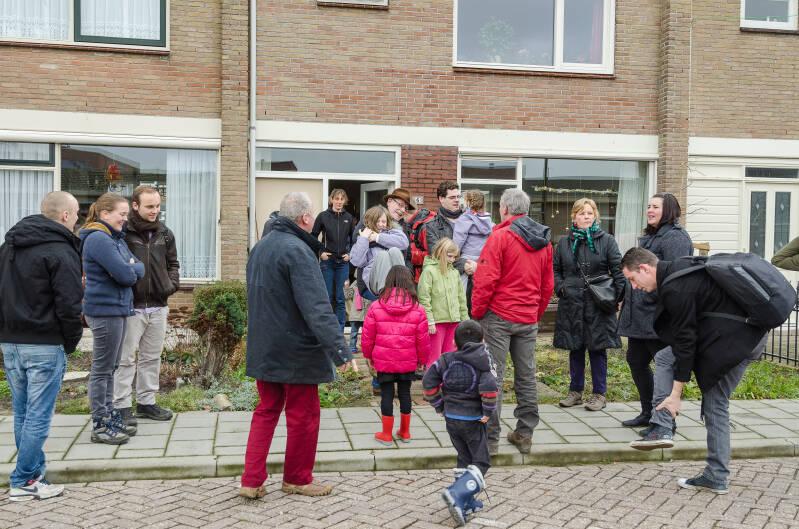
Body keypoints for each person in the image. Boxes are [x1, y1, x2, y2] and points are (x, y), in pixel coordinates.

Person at [621, 248, 768, 494]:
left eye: (632, 279)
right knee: (666, 357)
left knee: (715, 403)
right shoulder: (678, 270)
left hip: (739, 339)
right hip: (741, 333)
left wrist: (676, 393)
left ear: (645, 268)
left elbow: (686, 342)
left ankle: (714, 474)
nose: (634, 287)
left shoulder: (675, 287)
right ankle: (663, 426)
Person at [240, 192, 352, 499]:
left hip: (265, 344)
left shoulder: (261, 247)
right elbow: (316, 306)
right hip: (296, 349)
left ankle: (251, 480)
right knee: (304, 416)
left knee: (266, 410)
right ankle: (297, 478)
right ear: (305, 218)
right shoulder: (298, 250)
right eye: (313, 214)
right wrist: (340, 349)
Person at [0, 191, 82, 501]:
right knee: (38, 416)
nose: (77, 219)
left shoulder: (9, 246)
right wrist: (70, 341)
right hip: (44, 343)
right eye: (76, 213)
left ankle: (33, 475)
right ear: (65, 215)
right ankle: (23, 480)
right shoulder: (61, 250)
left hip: (11, 342)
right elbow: (70, 303)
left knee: (22, 412)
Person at [471, 188, 553, 455]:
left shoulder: (500, 237)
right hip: (527, 316)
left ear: (504, 209)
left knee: (493, 375)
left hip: (499, 316)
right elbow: (547, 285)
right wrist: (535, 314)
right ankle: (524, 433)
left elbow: (486, 279)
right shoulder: (544, 241)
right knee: (526, 376)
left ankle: (490, 439)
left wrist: (477, 313)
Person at [617, 192, 693, 428]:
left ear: (668, 210)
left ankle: (666, 418)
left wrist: (657, 300)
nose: (649, 210)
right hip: (638, 316)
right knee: (636, 360)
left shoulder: (675, 237)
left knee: (663, 366)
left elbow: (677, 276)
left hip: (657, 317)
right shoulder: (651, 237)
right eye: (649, 206)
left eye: (656, 207)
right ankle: (648, 411)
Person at [80, 193, 145, 445]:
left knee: (111, 367)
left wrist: (130, 267)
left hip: (116, 308)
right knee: (103, 369)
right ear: (105, 213)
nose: (126, 218)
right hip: (105, 310)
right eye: (122, 213)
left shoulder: (114, 237)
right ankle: (101, 423)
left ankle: (109, 415)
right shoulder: (99, 239)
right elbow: (126, 275)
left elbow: (139, 267)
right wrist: (128, 268)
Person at [114, 186, 179, 427]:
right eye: (149, 206)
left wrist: (171, 285)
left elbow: (173, 263)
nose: (155, 211)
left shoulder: (165, 234)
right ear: (135, 206)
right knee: (125, 359)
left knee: (151, 358)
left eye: (158, 206)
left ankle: (146, 402)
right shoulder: (123, 232)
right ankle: (121, 406)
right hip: (132, 307)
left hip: (158, 306)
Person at [423, 320, 498, 526]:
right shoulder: (484, 361)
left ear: (454, 342)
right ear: (483, 341)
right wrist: (488, 411)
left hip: (452, 418)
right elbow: (490, 387)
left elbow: (428, 382)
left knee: (464, 457)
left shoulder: (445, 359)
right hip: (473, 420)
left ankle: (466, 502)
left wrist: (439, 405)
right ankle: (457, 493)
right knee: (481, 461)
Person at [554, 198, 625, 411]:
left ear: (595, 217)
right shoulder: (564, 243)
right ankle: (575, 392)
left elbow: (618, 271)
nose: (586, 216)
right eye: (582, 213)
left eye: (590, 213)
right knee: (575, 348)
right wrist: (561, 287)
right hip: (572, 303)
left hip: (598, 304)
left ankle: (599, 394)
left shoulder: (607, 240)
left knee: (597, 349)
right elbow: (555, 270)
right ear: (574, 217)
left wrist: (617, 298)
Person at [360, 265, 431, 445]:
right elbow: (423, 340)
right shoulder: (418, 308)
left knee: (386, 394)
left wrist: (368, 356)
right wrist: (422, 361)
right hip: (407, 361)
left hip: (384, 360)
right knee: (405, 393)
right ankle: (405, 432)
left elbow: (367, 336)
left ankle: (386, 434)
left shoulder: (376, 306)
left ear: (388, 281)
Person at [418, 238, 468, 366]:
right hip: (436, 323)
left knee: (450, 357)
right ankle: (432, 379)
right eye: (449, 256)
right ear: (440, 252)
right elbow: (424, 298)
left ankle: (447, 378)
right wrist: (430, 321)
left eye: (454, 257)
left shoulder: (455, 273)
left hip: (454, 321)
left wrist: (465, 320)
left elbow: (461, 299)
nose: (452, 260)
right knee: (434, 358)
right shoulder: (429, 271)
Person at [312, 189, 356, 332]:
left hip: (343, 263)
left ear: (345, 201)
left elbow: (355, 240)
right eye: (336, 199)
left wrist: (350, 254)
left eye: (341, 199)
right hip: (327, 262)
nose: (339, 202)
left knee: (341, 298)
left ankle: (339, 331)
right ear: (331, 199)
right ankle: (326, 330)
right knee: (327, 297)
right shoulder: (323, 216)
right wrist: (320, 253)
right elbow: (313, 236)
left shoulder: (349, 218)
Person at [349, 205, 409, 300]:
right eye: (378, 221)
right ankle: (385, 294)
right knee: (382, 255)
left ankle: (402, 289)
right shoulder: (363, 237)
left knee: (394, 251)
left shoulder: (391, 232)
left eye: (383, 221)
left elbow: (404, 243)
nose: (381, 224)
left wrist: (378, 237)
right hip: (375, 282)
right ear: (371, 221)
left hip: (394, 279)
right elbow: (356, 261)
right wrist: (363, 239)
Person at [423, 181, 476, 278]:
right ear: (441, 199)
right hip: (446, 278)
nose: (457, 200)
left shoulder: (471, 220)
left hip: (473, 275)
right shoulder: (432, 225)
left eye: (458, 197)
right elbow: (437, 254)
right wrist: (463, 264)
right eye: (452, 197)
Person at [452, 190, 494, 295]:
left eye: (464, 201)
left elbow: (459, 239)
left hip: (467, 256)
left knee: (460, 286)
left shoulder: (464, 219)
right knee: (478, 286)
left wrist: (454, 254)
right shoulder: (487, 219)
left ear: (468, 203)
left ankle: (460, 303)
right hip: (482, 257)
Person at [343, 272, 372, 354]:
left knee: (366, 333)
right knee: (353, 333)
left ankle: (365, 347)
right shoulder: (355, 284)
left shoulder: (370, 284)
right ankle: (352, 347)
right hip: (355, 314)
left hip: (366, 314)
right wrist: (346, 287)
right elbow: (347, 295)